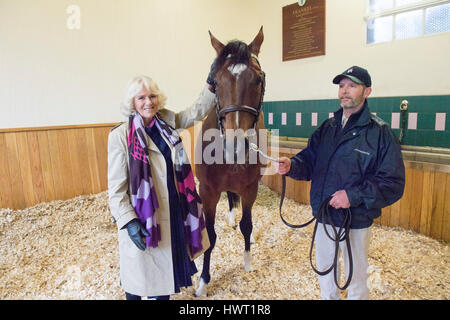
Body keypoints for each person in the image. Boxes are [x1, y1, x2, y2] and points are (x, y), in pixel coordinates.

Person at [276, 66, 405, 300]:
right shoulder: (328, 127)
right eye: (342, 85)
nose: (345, 91)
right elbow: (309, 160)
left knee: (355, 279)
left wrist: (352, 196)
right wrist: (292, 165)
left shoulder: (380, 133)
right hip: (325, 215)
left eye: (352, 86)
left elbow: (393, 183)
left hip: (355, 220)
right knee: (325, 272)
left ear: (367, 92)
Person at [107, 74, 216, 300]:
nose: (149, 102)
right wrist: (129, 221)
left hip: (172, 214)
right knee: (138, 282)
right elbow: (116, 190)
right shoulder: (120, 136)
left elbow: (194, 113)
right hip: (144, 218)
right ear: (132, 103)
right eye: (141, 98)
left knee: (165, 279)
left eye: (152, 96)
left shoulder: (166, 123)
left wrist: (211, 85)